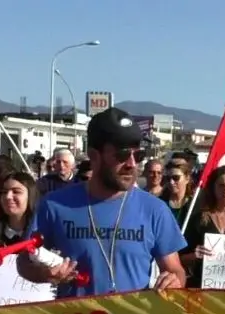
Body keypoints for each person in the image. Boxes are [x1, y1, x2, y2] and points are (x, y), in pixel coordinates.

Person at [17, 108, 187, 296]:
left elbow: (175, 269)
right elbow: (24, 261)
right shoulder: (55, 205)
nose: (132, 163)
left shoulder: (155, 210)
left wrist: (174, 281)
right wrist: (46, 273)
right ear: (94, 156)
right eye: (122, 155)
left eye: (138, 155)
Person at [0, 172, 38, 251]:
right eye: (4, 192)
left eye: (16, 192)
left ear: (30, 196)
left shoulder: (41, 239)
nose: (8, 197)